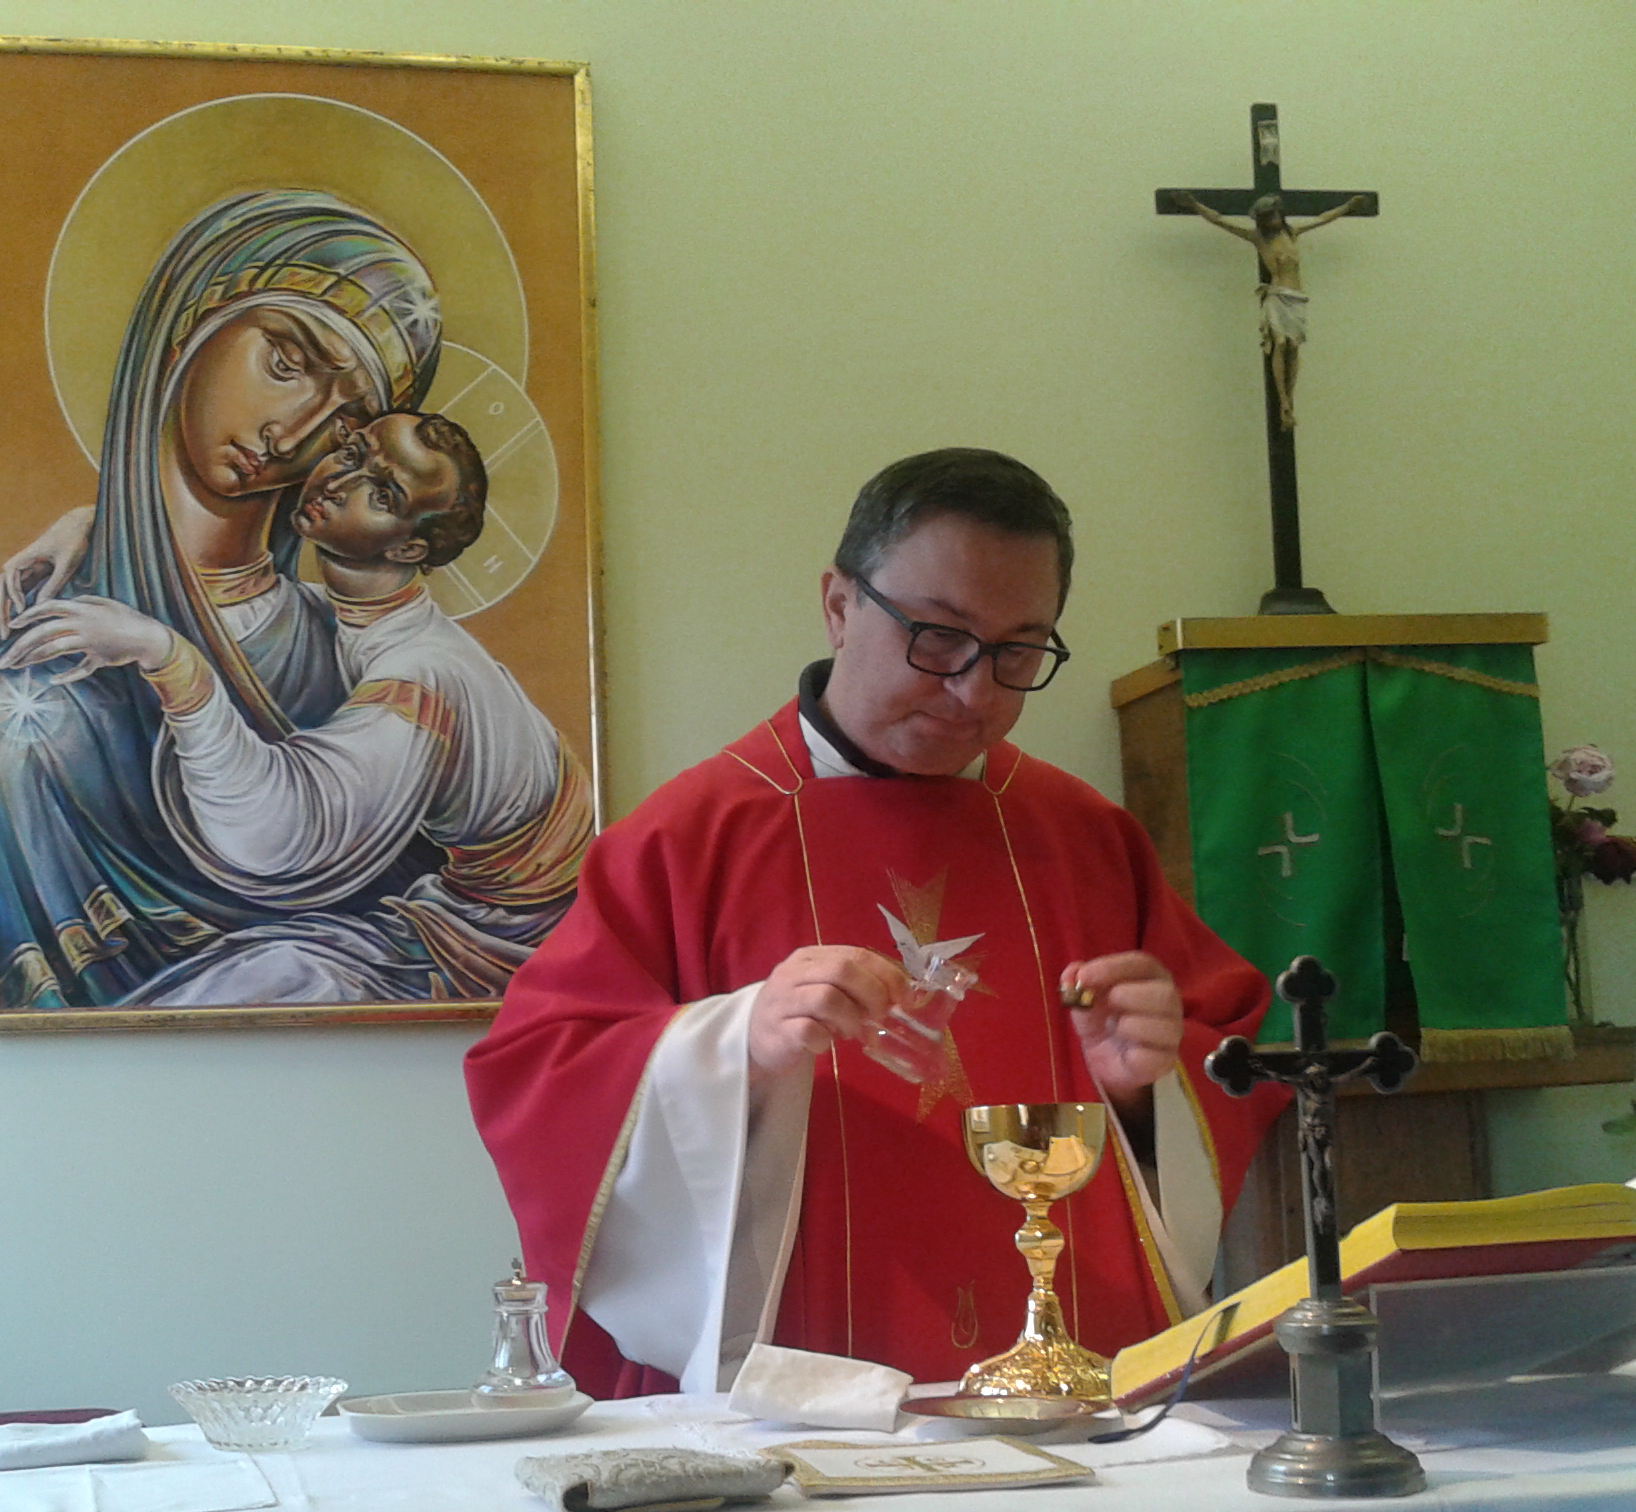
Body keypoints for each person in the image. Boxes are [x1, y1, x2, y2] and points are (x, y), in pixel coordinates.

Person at [465, 449, 1287, 1398]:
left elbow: (1225, 1058)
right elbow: (540, 1081)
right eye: (938, 637)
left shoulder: (1085, 838)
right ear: (839, 606)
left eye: (1018, 652)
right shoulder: (687, 839)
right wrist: (736, 1045)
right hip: (795, 1407)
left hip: (1072, 1400)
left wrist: (1149, 1085)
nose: (974, 691)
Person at [0, 189, 447, 1011]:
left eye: (347, 424)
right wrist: (110, 526)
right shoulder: (38, 669)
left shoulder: (359, 663)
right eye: (286, 364)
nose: (291, 434)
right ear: (190, 325)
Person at [1, 411, 591, 1005]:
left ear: (410, 545)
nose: (338, 483)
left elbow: (282, 830)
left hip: (500, 947)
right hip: (449, 914)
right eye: (354, 453)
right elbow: (221, 600)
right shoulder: (353, 620)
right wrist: (95, 525)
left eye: (381, 494)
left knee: (259, 983)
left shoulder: (423, 673)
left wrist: (169, 658)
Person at [1170, 190, 1370, 432]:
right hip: (1277, 295)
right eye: (1265, 217)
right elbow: (1219, 220)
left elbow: (1322, 218)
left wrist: (1348, 207)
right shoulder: (1258, 238)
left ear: (1279, 214)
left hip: (1297, 298)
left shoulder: (1291, 233)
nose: (1271, 219)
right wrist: (1193, 205)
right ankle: (1282, 400)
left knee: (1293, 347)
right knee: (1280, 343)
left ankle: (1289, 402)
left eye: (1273, 214)